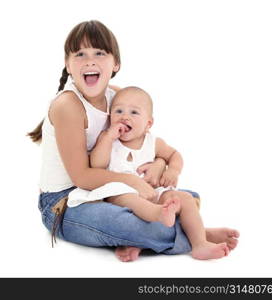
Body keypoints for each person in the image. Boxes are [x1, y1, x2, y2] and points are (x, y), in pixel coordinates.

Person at [28, 20, 239, 262]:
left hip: (109, 190)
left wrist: (159, 164)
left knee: (181, 197)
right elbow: (81, 178)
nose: (89, 61)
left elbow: (146, 140)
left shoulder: (117, 97)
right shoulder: (68, 106)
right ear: (68, 64)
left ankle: (183, 229)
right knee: (153, 221)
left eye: (99, 52)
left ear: (115, 63)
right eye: (80, 54)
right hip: (65, 203)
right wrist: (132, 181)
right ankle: (196, 233)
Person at [68, 86, 237, 260]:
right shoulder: (108, 139)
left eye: (134, 112)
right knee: (131, 200)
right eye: (118, 111)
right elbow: (97, 164)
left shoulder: (152, 142)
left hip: (151, 190)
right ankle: (158, 215)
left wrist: (173, 170)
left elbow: (174, 155)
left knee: (185, 199)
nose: (125, 116)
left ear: (148, 123)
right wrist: (108, 137)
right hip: (121, 193)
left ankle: (200, 243)